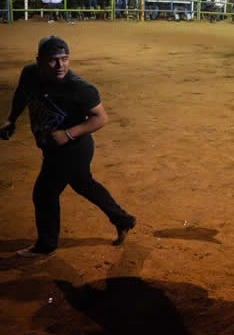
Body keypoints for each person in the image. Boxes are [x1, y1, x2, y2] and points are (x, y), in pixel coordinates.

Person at [0, 36, 136, 258]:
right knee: (83, 184)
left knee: (44, 194)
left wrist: (68, 134)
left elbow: (100, 118)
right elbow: (22, 94)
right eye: (54, 60)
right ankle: (123, 220)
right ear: (39, 60)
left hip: (73, 148)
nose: (60, 66)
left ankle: (46, 245)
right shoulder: (30, 73)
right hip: (54, 146)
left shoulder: (80, 88)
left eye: (65, 59)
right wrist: (11, 119)